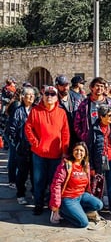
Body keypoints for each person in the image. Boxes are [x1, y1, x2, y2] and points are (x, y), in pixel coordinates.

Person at [26, 85, 71, 215]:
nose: (49, 96)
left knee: (54, 181)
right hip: (39, 154)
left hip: (56, 154)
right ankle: (38, 204)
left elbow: (65, 133)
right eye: (47, 94)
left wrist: (65, 151)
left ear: (57, 97)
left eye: (52, 94)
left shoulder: (61, 113)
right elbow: (28, 128)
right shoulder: (35, 111)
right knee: (38, 180)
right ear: (43, 95)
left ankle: (52, 205)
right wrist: (35, 143)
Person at [48, 142, 103, 229]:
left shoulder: (86, 165)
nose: (78, 152)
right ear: (72, 151)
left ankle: (76, 212)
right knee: (83, 223)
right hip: (68, 198)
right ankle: (61, 212)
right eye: (76, 150)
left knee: (98, 204)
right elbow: (56, 184)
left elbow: (87, 183)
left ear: (85, 153)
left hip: (81, 195)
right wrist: (56, 204)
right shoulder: (66, 165)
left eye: (81, 150)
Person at [88, 106, 111, 215]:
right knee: (97, 186)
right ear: (101, 116)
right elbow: (89, 148)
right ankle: (96, 208)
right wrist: (92, 167)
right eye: (109, 115)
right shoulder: (94, 128)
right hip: (99, 161)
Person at [6, 86, 35, 205]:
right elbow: (11, 128)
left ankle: (35, 192)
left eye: (32, 95)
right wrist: (17, 143)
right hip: (22, 147)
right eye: (28, 95)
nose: (31, 97)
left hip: (34, 147)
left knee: (35, 172)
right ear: (23, 97)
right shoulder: (18, 111)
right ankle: (20, 194)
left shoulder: (36, 109)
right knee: (22, 172)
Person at [74, 77, 111, 145]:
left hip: (106, 142)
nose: (99, 88)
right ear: (92, 87)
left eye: (102, 86)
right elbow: (77, 123)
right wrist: (83, 136)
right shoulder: (84, 104)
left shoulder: (110, 104)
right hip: (90, 142)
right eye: (97, 86)